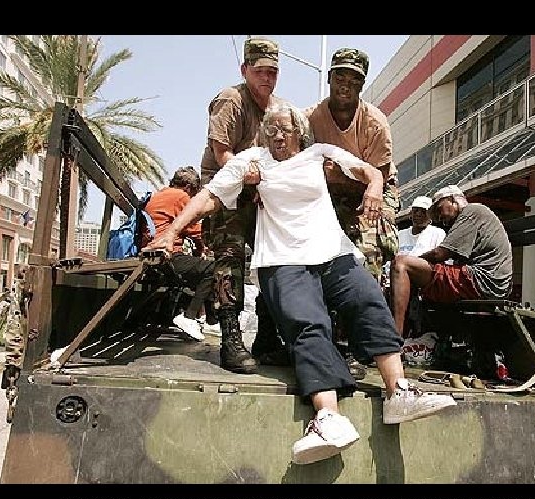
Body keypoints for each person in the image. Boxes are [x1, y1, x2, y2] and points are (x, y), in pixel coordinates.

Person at [147, 102, 456, 465]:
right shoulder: (251, 162)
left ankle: (398, 391)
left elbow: (369, 170)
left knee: (368, 300)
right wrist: (171, 232)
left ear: (299, 132)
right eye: (271, 129)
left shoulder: (318, 154)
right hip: (283, 260)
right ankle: (327, 417)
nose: (278, 135)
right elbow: (208, 197)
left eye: (285, 128)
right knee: (307, 322)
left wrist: (373, 186)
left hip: (332, 253)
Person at [305, 47, 401, 377]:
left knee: (369, 249)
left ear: (362, 85)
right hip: (328, 192)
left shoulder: (374, 123)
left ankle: (365, 341)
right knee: (314, 253)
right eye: (340, 77)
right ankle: (326, 337)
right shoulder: (310, 120)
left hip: (372, 189)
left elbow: (375, 181)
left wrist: (342, 178)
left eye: (354, 80)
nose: (346, 84)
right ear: (329, 78)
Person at [199, 36, 287, 373]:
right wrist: (248, 175)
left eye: (273, 72)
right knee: (231, 257)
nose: (267, 78)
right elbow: (223, 154)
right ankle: (230, 339)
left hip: (259, 193)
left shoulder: (277, 108)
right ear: (245, 69)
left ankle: (267, 338)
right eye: (261, 71)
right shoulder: (231, 100)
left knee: (274, 259)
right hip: (226, 190)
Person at [390, 185, 513, 336]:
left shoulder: (472, 211)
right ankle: (414, 335)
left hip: (483, 281)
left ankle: (394, 338)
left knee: (401, 264)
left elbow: (439, 254)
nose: (441, 218)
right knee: (408, 274)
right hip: (488, 282)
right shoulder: (470, 216)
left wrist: (413, 263)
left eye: (439, 209)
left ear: (453, 200)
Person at [142, 166, 215, 341]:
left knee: (202, 269)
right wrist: (202, 249)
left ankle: (211, 321)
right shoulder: (180, 196)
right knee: (212, 268)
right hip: (166, 255)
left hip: (152, 254)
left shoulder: (159, 194)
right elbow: (196, 230)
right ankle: (189, 317)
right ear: (189, 188)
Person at [396, 196, 446, 337]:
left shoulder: (437, 233)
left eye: (423, 211)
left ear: (430, 215)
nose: (418, 215)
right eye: (415, 211)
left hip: (423, 280)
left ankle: (401, 332)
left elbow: (441, 260)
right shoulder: (400, 234)